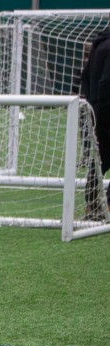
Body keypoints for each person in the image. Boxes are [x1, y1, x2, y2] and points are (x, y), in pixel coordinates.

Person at [81, 20, 110, 216]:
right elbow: (106, 82)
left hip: (95, 109)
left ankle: (92, 204)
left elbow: (85, 77)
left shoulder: (99, 44)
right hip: (105, 109)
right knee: (102, 157)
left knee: (101, 158)